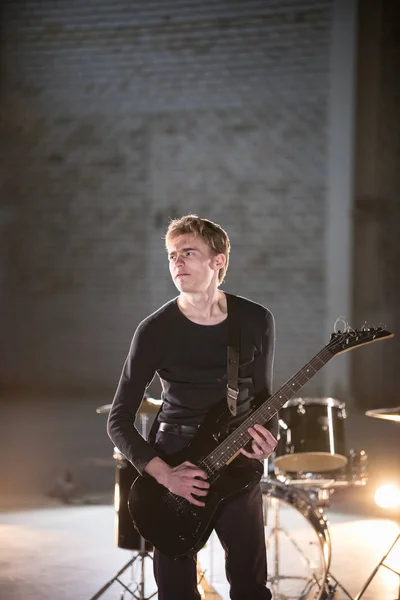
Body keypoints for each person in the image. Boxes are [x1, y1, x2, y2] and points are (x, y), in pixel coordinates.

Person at [107, 215, 278, 600]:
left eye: (188, 253)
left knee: (252, 588)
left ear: (218, 261)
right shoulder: (154, 329)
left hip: (238, 466)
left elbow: (266, 399)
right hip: (176, 466)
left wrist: (271, 440)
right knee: (176, 592)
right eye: (171, 255)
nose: (177, 263)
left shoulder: (255, 320)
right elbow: (118, 420)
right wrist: (165, 475)